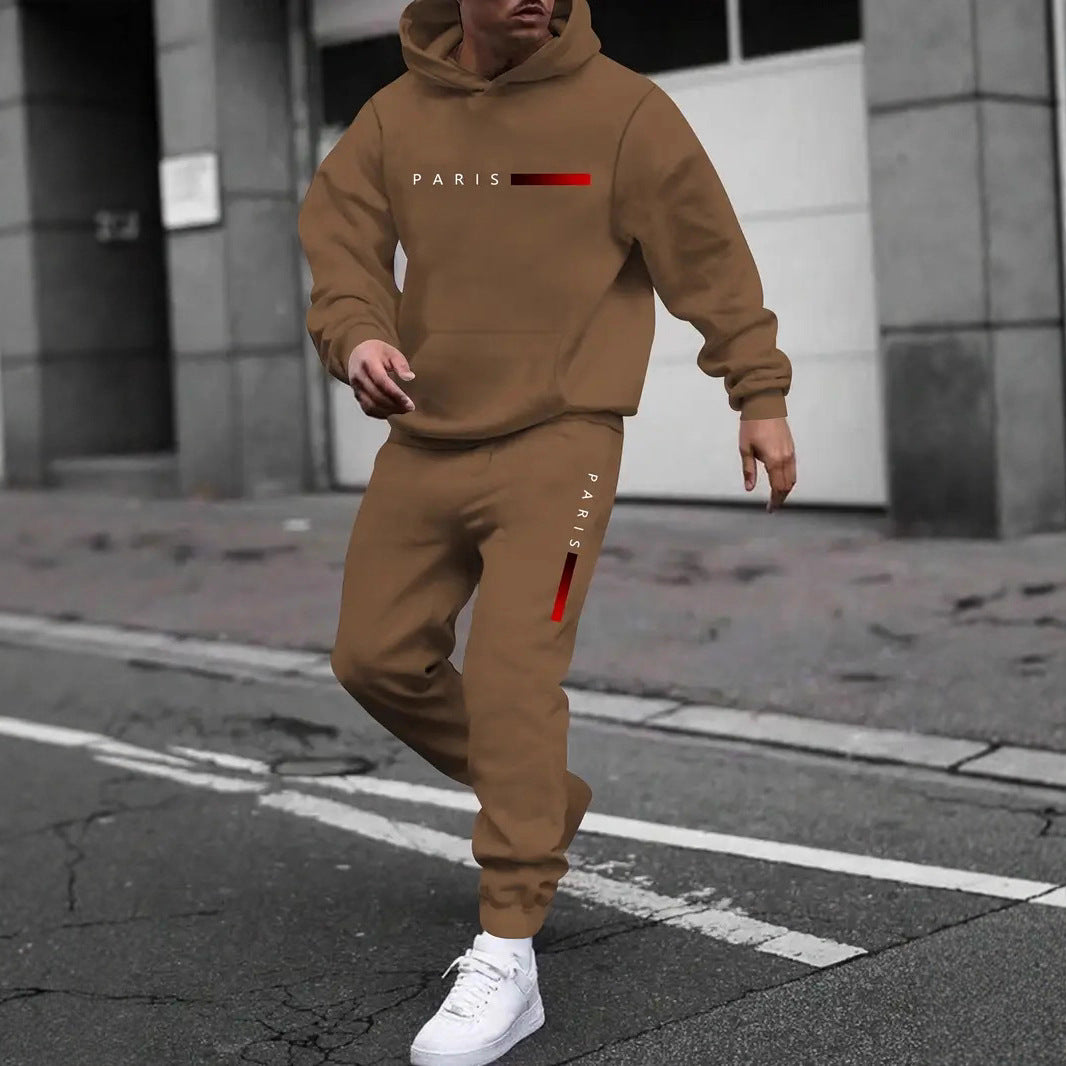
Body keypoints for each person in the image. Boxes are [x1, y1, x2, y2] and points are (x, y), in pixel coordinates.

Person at [297, 0, 797, 1061]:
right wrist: (357, 338)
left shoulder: (625, 115)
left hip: (564, 450)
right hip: (423, 440)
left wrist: (757, 392)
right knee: (373, 656)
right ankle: (544, 794)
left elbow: (708, 257)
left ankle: (509, 948)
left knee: (518, 676)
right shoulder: (392, 122)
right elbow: (341, 247)